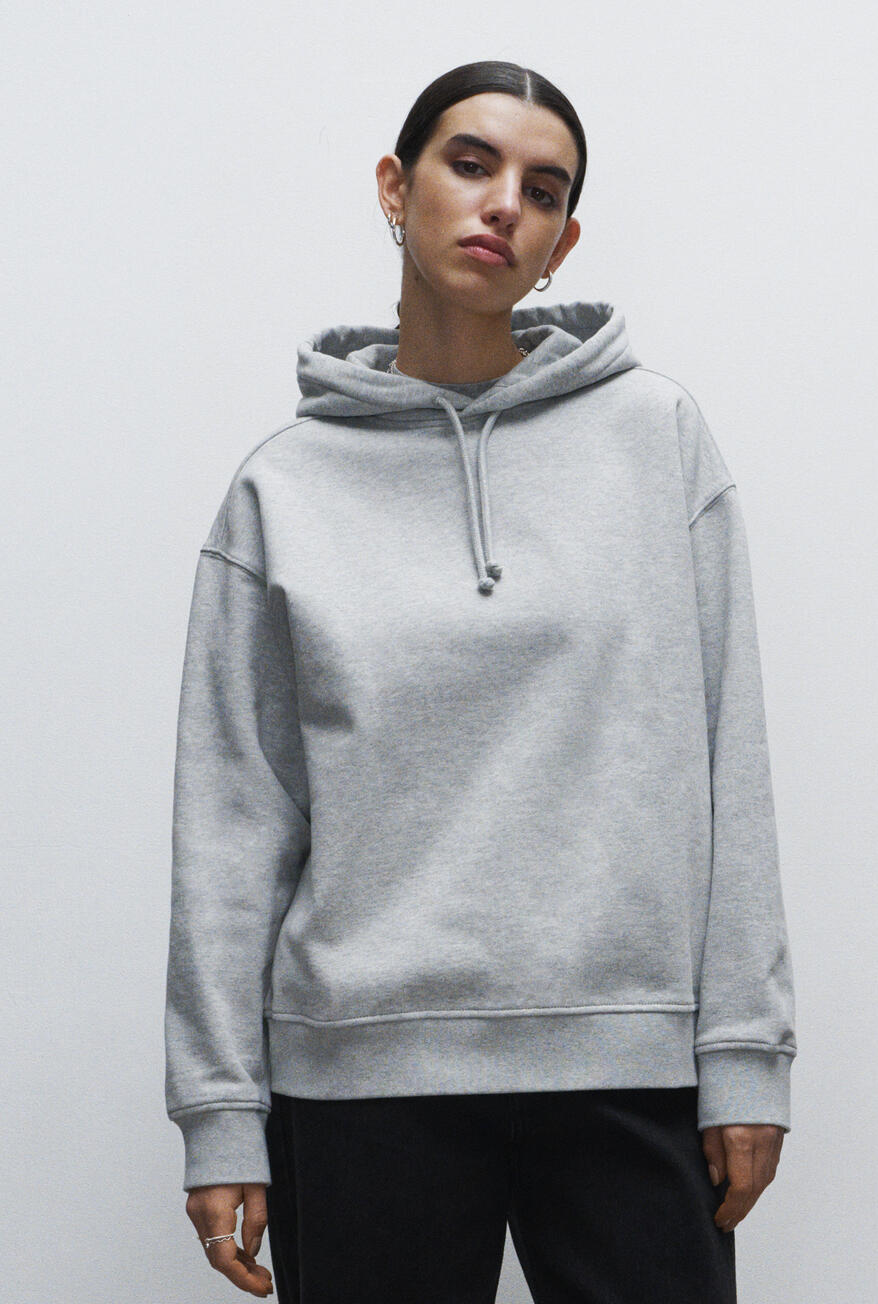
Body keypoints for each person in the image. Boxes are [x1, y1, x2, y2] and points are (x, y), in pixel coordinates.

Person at [164, 59, 797, 1304]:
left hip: (627, 1061)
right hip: (359, 1074)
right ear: (395, 189)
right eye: (470, 163)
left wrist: (744, 1048)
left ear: (563, 241)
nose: (505, 201)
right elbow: (234, 817)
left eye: (543, 189)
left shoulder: (657, 441)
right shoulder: (282, 489)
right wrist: (221, 1107)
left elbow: (731, 755)